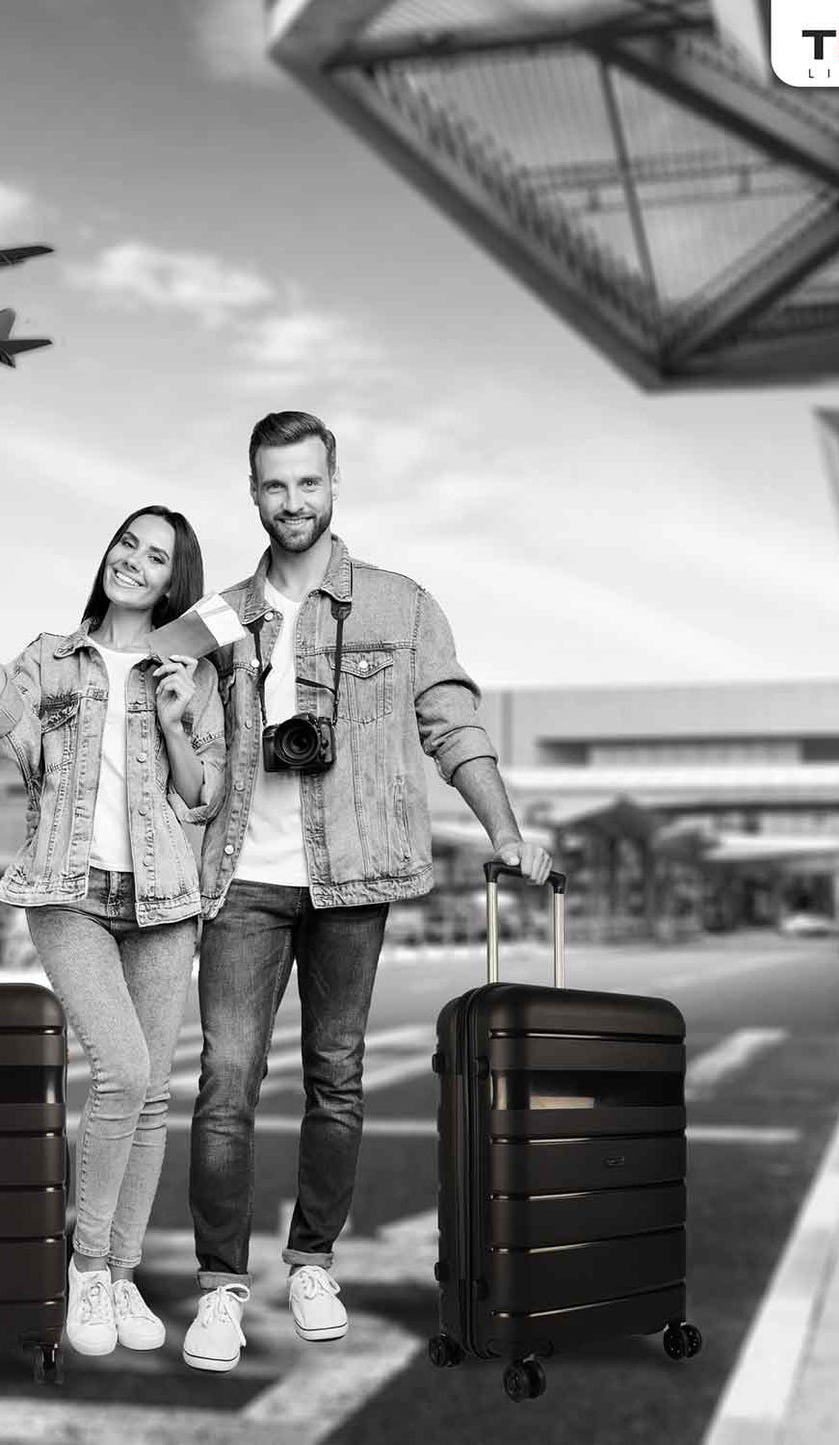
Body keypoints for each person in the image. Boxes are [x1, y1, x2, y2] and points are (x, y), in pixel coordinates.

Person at [181, 411, 553, 1374]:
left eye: (307, 483)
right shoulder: (219, 615)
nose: (291, 502)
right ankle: (220, 1285)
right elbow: (156, 731)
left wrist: (504, 832)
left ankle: (311, 1261)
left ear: (333, 483)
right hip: (242, 876)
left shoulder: (399, 603)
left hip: (353, 874)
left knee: (335, 1078)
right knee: (225, 1079)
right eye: (273, 486)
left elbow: (451, 725)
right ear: (251, 491)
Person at [0, 506, 225, 1360]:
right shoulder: (52, 656)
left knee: (150, 1097)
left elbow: (199, 794)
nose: (132, 561)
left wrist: (176, 717)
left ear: (175, 578)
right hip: (67, 891)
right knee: (124, 1071)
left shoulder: (189, 671)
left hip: (164, 898)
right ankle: (87, 1265)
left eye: (154, 555)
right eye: (126, 543)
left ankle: (124, 1271)